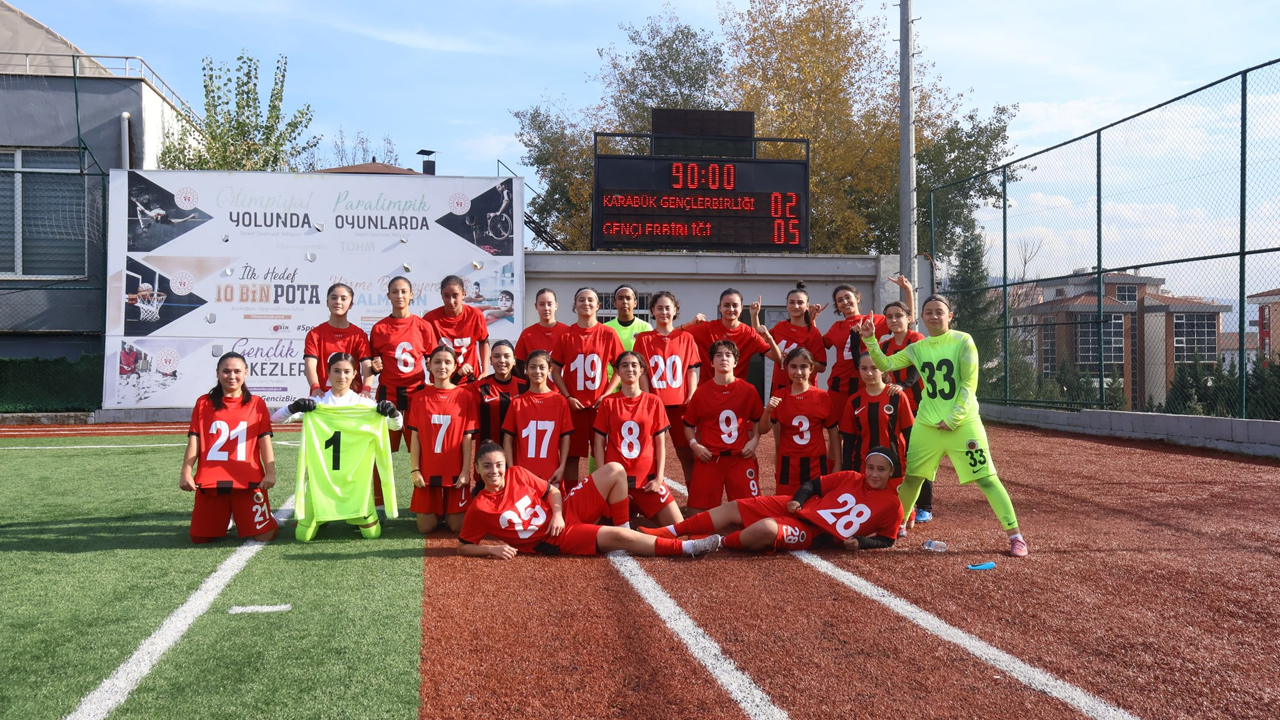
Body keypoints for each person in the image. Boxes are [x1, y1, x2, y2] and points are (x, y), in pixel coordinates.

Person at [859, 294, 1030, 557]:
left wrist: (953, 419)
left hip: (963, 424)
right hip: (928, 424)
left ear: (950, 316)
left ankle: (1016, 536)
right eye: (928, 312)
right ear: (922, 317)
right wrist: (870, 339)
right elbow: (887, 364)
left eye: (939, 311)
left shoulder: (963, 340)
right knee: (913, 476)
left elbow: (969, 384)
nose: (933, 316)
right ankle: (899, 524)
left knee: (986, 478)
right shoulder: (918, 347)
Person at [457, 441, 721, 558]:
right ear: (477, 469)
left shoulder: (517, 473)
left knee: (615, 469)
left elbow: (553, 492)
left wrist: (558, 514)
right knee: (623, 541)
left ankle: (623, 526)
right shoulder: (480, 507)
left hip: (564, 513)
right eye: (487, 467)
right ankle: (686, 549)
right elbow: (463, 545)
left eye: (498, 465)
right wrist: (492, 549)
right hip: (555, 539)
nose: (495, 472)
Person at [642, 447, 903, 554]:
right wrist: (798, 501)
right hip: (800, 508)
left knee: (766, 528)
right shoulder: (851, 476)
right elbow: (813, 484)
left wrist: (862, 542)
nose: (874, 474)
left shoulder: (892, 504)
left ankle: (710, 543)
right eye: (871, 467)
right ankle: (669, 531)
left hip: (814, 533)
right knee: (736, 507)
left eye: (881, 470)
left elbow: (888, 539)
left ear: (891, 472)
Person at [274, 353, 402, 541]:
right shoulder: (317, 404)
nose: (341, 376)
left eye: (346, 372)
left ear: (354, 374)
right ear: (327, 373)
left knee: (372, 534)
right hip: (321, 484)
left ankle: (345, 514)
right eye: (337, 371)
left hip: (355, 485)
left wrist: (393, 412)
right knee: (303, 536)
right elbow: (276, 419)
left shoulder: (365, 405)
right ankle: (323, 515)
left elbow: (395, 426)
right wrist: (294, 407)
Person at [180, 351, 277, 544]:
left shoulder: (257, 403)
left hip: (247, 481)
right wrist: (186, 472)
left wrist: (270, 472)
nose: (231, 376)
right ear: (217, 373)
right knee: (199, 538)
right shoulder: (203, 403)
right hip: (212, 480)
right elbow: (195, 441)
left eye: (237, 371)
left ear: (246, 373)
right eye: (226, 371)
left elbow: (264, 441)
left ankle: (260, 517)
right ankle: (228, 516)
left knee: (263, 536)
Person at [368, 276, 439, 505]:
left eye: (404, 291)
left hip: (416, 396)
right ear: (388, 295)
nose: (399, 296)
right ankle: (379, 503)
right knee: (381, 453)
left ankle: (425, 502)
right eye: (395, 291)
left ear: (411, 295)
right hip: (388, 397)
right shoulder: (379, 328)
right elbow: (372, 362)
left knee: (423, 454)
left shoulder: (423, 326)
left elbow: (435, 361)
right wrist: (374, 365)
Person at [594, 351, 682, 526]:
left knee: (678, 526)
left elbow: (660, 444)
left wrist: (659, 478)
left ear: (642, 370)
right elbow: (598, 443)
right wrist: (603, 478)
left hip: (646, 481)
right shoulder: (608, 402)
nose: (630, 369)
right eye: (624, 365)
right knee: (591, 526)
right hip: (617, 482)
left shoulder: (654, 401)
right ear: (617, 371)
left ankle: (643, 529)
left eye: (634, 365)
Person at [551, 287, 624, 492]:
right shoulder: (566, 335)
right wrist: (567, 396)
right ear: (575, 305)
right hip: (574, 407)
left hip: (599, 406)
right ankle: (571, 498)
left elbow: (620, 368)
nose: (586, 303)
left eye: (591, 300)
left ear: (598, 305)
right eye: (581, 300)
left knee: (604, 454)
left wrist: (607, 394)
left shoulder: (608, 333)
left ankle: (602, 497)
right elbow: (556, 371)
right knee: (571, 456)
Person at [682, 340, 765, 514]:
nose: (723, 358)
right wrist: (694, 445)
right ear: (711, 362)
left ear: (735, 361)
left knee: (751, 513)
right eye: (718, 355)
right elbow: (688, 425)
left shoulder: (748, 390)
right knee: (697, 516)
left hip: (739, 458)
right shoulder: (702, 392)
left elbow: (758, 419)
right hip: (710, 458)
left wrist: (755, 440)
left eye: (728, 355)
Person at [407, 346, 480, 534]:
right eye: (437, 362)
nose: (442, 366)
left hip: (454, 469)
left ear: (455, 366)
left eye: (448, 362)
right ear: (429, 365)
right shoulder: (419, 397)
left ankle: (448, 510)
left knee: (457, 527)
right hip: (428, 468)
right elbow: (415, 437)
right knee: (426, 527)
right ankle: (438, 510)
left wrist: (466, 471)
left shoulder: (465, 396)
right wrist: (415, 469)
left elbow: (467, 438)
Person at [633, 291, 701, 488]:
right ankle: (643, 496)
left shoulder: (686, 337)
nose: (664, 312)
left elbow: (691, 369)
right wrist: (648, 398)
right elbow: (643, 373)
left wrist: (692, 395)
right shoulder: (644, 339)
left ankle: (695, 494)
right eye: (659, 308)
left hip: (680, 405)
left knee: (686, 453)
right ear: (652, 311)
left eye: (667, 308)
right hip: (655, 405)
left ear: (675, 310)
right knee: (649, 453)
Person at [759, 347, 839, 497]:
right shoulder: (780, 395)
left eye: (804, 367)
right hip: (788, 464)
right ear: (786, 367)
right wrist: (768, 410)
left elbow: (833, 431)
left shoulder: (821, 396)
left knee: (815, 506)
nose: (799, 372)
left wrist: (837, 463)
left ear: (811, 369)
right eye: (793, 366)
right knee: (785, 505)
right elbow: (763, 430)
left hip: (815, 462)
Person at [880, 297, 930, 523]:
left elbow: (918, 369)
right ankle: (895, 499)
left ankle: (925, 506)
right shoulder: (884, 345)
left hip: (918, 407)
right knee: (897, 452)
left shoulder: (916, 339)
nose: (893, 320)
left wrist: (903, 386)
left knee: (919, 455)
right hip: (895, 407)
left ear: (908, 319)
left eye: (898, 316)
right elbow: (878, 369)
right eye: (889, 316)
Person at [838, 353, 913, 485]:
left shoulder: (897, 396)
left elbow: (910, 434)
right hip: (863, 469)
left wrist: (912, 464)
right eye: (864, 368)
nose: (869, 373)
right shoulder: (854, 401)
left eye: (874, 368)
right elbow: (849, 441)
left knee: (896, 505)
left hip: (895, 469)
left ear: (883, 368)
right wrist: (847, 468)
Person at [502, 350, 574, 487]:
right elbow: (507, 438)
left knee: (553, 507)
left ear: (550, 370)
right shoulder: (517, 403)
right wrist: (511, 469)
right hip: (523, 474)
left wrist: (562, 467)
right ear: (526, 371)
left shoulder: (560, 401)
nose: (537, 371)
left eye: (542, 367)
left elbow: (566, 438)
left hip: (551, 473)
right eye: (532, 367)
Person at [688, 288, 779, 381]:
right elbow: (674, 334)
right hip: (708, 391)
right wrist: (690, 324)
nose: (731, 309)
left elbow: (778, 359)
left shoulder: (749, 334)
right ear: (720, 307)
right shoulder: (706, 329)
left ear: (741, 308)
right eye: (726, 305)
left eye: (735, 305)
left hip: (737, 391)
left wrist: (770, 338)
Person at [304, 283, 374, 396]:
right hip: (322, 397)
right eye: (333, 298)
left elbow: (367, 365)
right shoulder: (314, 334)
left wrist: (366, 390)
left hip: (351, 398)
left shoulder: (359, 335)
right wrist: (315, 388)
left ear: (351, 304)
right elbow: (309, 365)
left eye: (343, 298)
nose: (338, 302)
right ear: (327, 302)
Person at [424, 274, 490, 385]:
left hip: (470, 379)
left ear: (463, 294)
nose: (451, 301)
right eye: (446, 296)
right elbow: (425, 350)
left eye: (455, 296)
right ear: (441, 296)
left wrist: (485, 370)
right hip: (442, 381)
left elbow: (484, 341)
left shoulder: (475, 315)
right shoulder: (430, 319)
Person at [767, 282, 827, 396]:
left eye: (800, 303)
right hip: (780, 384)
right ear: (786, 305)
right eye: (792, 302)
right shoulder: (780, 326)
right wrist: (754, 315)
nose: (796, 306)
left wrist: (800, 362)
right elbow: (760, 341)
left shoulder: (813, 332)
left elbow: (822, 366)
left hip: (804, 387)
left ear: (807, 306)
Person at [472, 339, 527, 445]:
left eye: (507, 356)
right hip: (487, 454)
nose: (502, 360)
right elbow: (452, 393)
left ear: (514, 360)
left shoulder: (525, 387)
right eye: (497, 356)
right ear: (491, 360)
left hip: (517, 453)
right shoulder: (479, 387)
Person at [514, 288, 570, 370]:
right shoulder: (527, 334)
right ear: (536, 306)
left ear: (556, 306)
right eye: (542, 304)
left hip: (561, 382)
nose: (546, 308)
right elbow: (518, 367)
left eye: (550, 304)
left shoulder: (567, 333)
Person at [603, 284, 654, 352]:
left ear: (635, 303)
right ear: (615, 303)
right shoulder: (605, 328)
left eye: (628, 298)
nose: (624, 302)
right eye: (620, 298)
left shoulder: (645, 328)